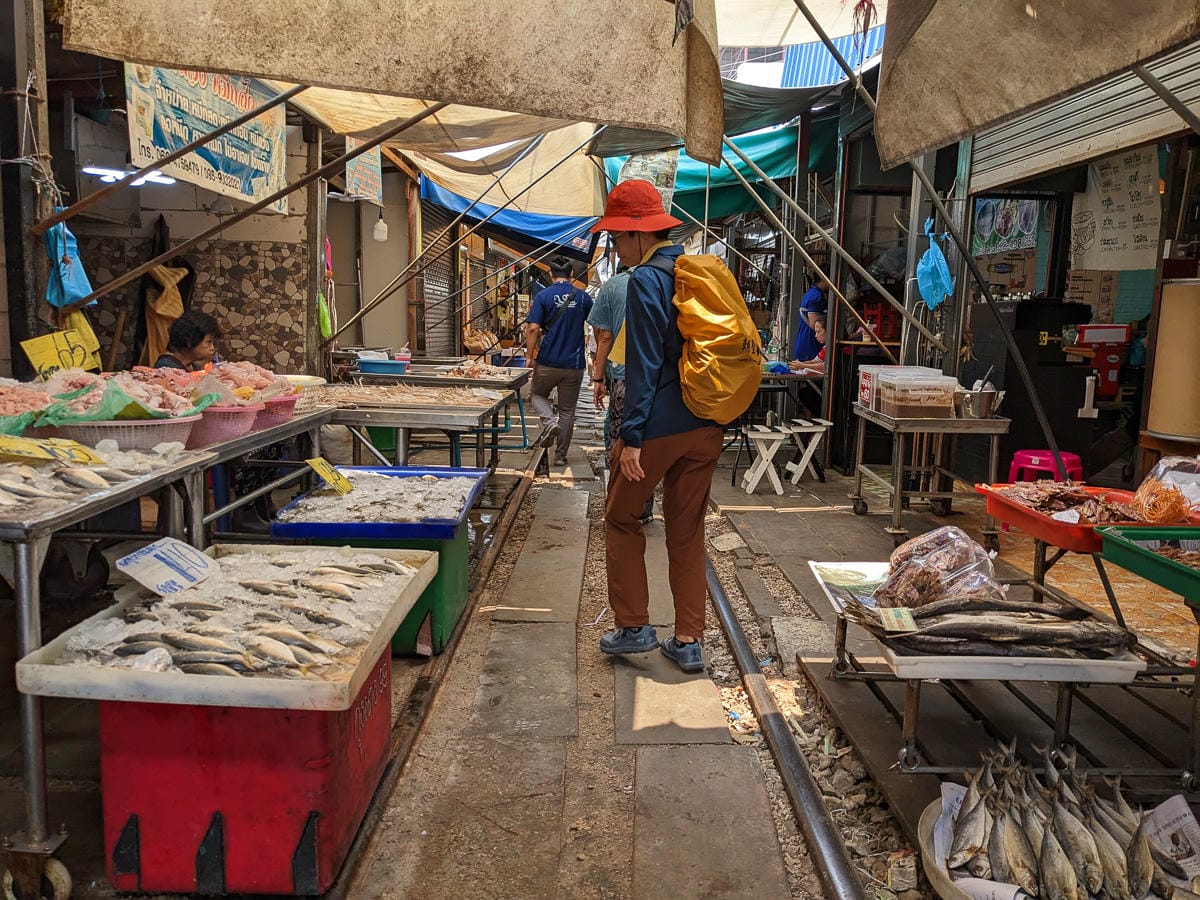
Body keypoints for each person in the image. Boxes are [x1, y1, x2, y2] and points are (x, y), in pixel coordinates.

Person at [593, 179, 723, 674]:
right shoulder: (695, 272)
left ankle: (633, 626)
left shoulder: (647, 281)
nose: (615, 248)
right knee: (687, 529)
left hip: (662, 426)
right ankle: (688, 640)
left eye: (616, 238)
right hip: (708, 424)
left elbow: (645, 365)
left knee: (621, 517)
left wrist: (631, 436)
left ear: (635, 235)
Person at [588, 265, 654, 523]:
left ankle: (619, 503)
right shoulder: (664, 280)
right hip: (656, 375)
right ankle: (643, 506)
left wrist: (598, 377)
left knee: (620, 439)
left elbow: (604, 336)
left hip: (622, 374)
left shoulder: (614, 286)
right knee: (648, 440)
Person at [525, 257, 593, 466]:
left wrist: (529, 356)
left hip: (548, 361)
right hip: (573, 365)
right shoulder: (583, 298)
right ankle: (561, 456)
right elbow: (596, 327)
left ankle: (549, 421)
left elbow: (533, 328)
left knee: (536, 394)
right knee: (567, 411)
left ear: (550, 274)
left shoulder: (543, 296)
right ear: (571, 276)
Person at [154, 310, 220, 371]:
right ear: (190, 340)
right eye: (209, 342)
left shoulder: (189, 365)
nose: (212, 348)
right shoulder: (167, 368)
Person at [792, 266, 829, 363]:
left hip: (806, 343)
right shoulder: (816, 296)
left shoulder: (811, 293)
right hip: (810, 345)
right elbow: (814, 323)